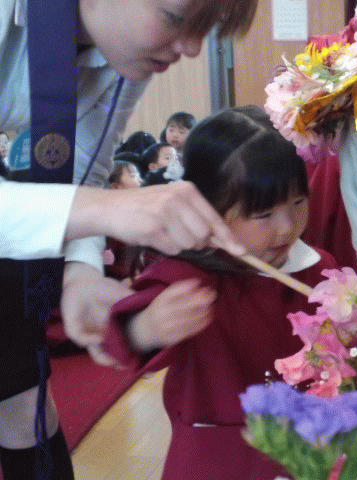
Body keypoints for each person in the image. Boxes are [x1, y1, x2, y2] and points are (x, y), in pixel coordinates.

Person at [0, 1, 258, 478]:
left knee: (23, 404)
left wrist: (80, 271)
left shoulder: (125, 58)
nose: (192, 47)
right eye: (177, 18)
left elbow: (85, 165)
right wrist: (117, 209)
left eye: (206, 29)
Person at [102, 105, 336, 480]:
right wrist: (146, 328)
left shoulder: (320, 269)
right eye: (263, 215)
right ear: (208, 209)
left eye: (298, 203)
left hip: (308, 451)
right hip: (217, 459)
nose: (287, 228)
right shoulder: (190, 277)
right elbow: (120, 336)